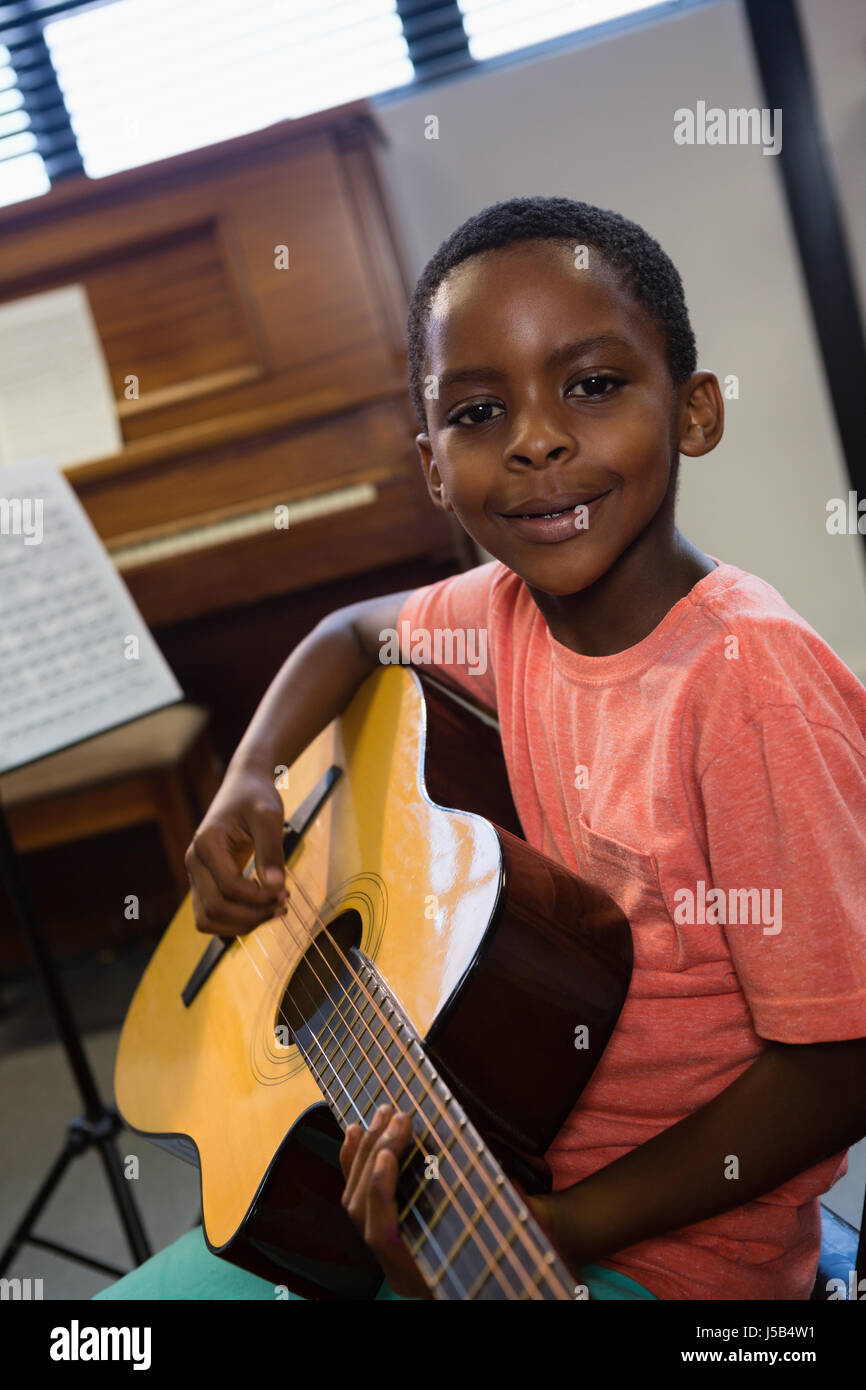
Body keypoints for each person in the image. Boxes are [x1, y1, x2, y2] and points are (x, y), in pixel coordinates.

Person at [97, 196, 866, 1303]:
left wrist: (557, 1225)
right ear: (429, 466)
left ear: (694, 411)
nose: (536, 439)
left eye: (592, 385)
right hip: (497, 1140)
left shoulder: (745, 682)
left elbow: (840, 1060)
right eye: (476, 411)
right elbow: (347, 633)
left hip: (669, 1258)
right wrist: (249, 776)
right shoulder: (500, 612)